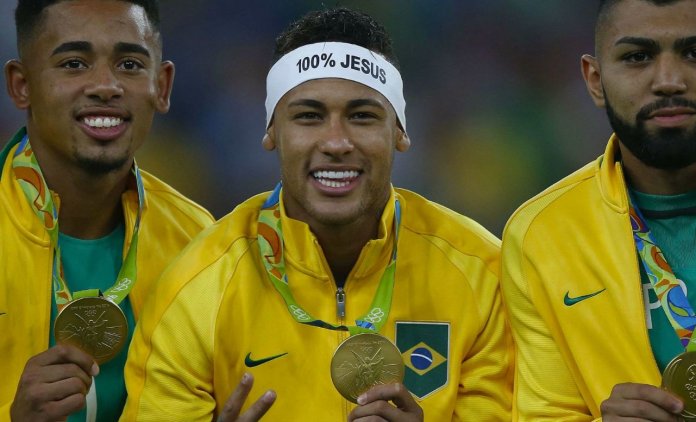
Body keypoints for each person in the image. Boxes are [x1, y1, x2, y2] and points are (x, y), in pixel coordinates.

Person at [121, 7, 512, 422]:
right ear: (272, 131)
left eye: (362, 116)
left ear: (399, 132)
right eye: (309, 116)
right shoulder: (195, 288)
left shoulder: (482, 275)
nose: (336, 142)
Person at [1, 1, 214, 421]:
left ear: (162, 86)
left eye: (130, 65)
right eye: (74, 63)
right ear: (22, 85)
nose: (105, 86)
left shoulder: (199, 243)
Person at [501, 0, 696, 420]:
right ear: (595, 80)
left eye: (693, 53)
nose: (669, 81)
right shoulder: (543, 234)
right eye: (638, 57)